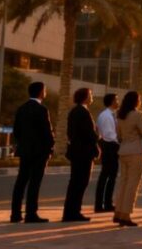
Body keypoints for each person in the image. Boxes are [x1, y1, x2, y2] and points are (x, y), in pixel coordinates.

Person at [11, 82, 54, 224]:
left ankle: (15, 214)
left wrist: (23, 143)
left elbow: (16, 131)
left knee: (21, 181)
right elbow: (47, 132)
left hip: (24, 150)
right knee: (34, 183)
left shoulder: (21, 109)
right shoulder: (42, 110)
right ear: (41, 92)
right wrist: (50, 147)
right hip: (39, 152)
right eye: (45, 89)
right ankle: (31, 213)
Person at [113, 91, 142, 227]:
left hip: (123, 151)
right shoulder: (137, 115)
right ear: (136, 101)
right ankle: (126, 215)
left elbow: (118, 135)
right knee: (132, 184)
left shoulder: (120, 115)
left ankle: (118, 212)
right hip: (136, 151)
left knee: (123, 182)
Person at [63, 87, 99, 222]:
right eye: (90, 94)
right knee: (80, 183)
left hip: (77, 151)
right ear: (85, 97)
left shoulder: (75, 111)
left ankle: (70, 212)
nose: (91, 96)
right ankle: (73, 212)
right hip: (83, 153)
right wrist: (97, 137)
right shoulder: (83, 112)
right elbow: (88, 133)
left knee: (75, 183)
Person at [94, 93, 120, 213]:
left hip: (111, 146)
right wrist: (120, 140)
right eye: (116, 99)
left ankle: (107, 202)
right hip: (109, 146)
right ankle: (101, 204)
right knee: (107, 175)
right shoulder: (106, 116)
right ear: (112, 101)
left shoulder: (111, 115)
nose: (118, 102)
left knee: (110, 176)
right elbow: (109, 135)